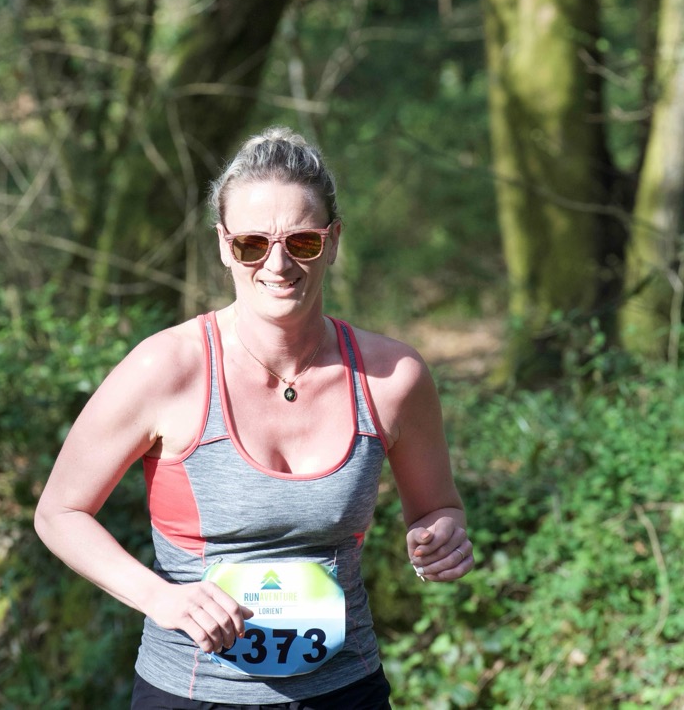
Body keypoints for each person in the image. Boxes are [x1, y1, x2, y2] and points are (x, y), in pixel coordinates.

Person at [34, 127, 473, 708]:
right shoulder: (166, 368)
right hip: (191, 693)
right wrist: (160, 597)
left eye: (303, 241)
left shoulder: (392, 377)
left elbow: (438, 510)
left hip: (345, 691)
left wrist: (440, 539)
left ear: (333, 241)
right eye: (252, 244)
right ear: (224, 245)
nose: (278, 263)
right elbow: (59, 513)